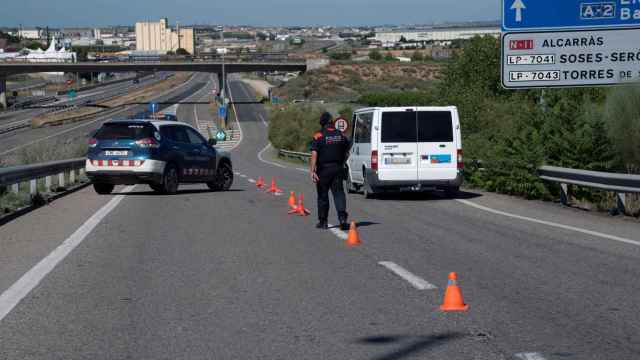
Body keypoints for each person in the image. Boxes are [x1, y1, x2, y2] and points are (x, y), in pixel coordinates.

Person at [310, 112, 351, 230]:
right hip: (337, 168)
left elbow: (314, 154)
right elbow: (347, 152)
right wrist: (342, 163)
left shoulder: (318, 136)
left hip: (323, 170)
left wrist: (312, 171)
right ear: (332, 123)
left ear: (322, 123)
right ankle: (342, 219)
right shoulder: (341, 135)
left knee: (323, 196)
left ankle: (323, 222)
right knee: (339, 194)